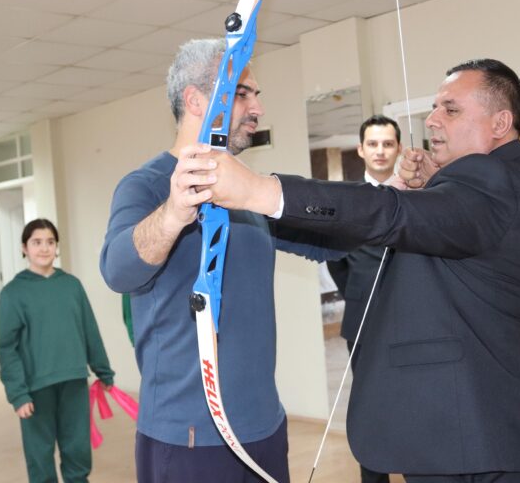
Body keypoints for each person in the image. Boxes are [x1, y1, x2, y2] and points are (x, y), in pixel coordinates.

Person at [203, 59, 520, 482]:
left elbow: (387, 213)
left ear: (501, 122)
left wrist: (261, 190)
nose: (432, 120)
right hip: (492, 428)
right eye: (434, 107)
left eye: (451, 109)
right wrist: (436, 186)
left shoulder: (490, 181)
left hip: (463, 436)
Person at [100, 38, 341, 483]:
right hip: (187, 437)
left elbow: (333, 242)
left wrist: (397, 201)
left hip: (263, 426)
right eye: (243, 93)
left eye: (256, 94)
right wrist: (174, 212)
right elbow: (118, 270)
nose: (258, 108)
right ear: (195, 100)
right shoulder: (146, 186)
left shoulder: (246, 190)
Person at [0, 219, 115, 483]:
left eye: (50, 242)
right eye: (36, 242)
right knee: (40, 456)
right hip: (36, 388)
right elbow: (7, 348)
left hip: (73, 380)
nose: (44, 248)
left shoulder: (71, 285)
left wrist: (103, 371)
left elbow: (90, 331)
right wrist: (17, 393)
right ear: (24, 248)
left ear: (57, 247)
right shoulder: (13, 293)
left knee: (77, 452)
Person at [326, 114, 402, 483]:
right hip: (363, 323)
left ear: (398, 148)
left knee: (412, 406)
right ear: (361, 149)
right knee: (372, 410)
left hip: (410, 323)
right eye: (373, 144)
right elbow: (336, 261)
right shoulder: (347, 201)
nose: (380, 151)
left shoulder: (416, 196)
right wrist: (359, 292)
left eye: (387, 143)